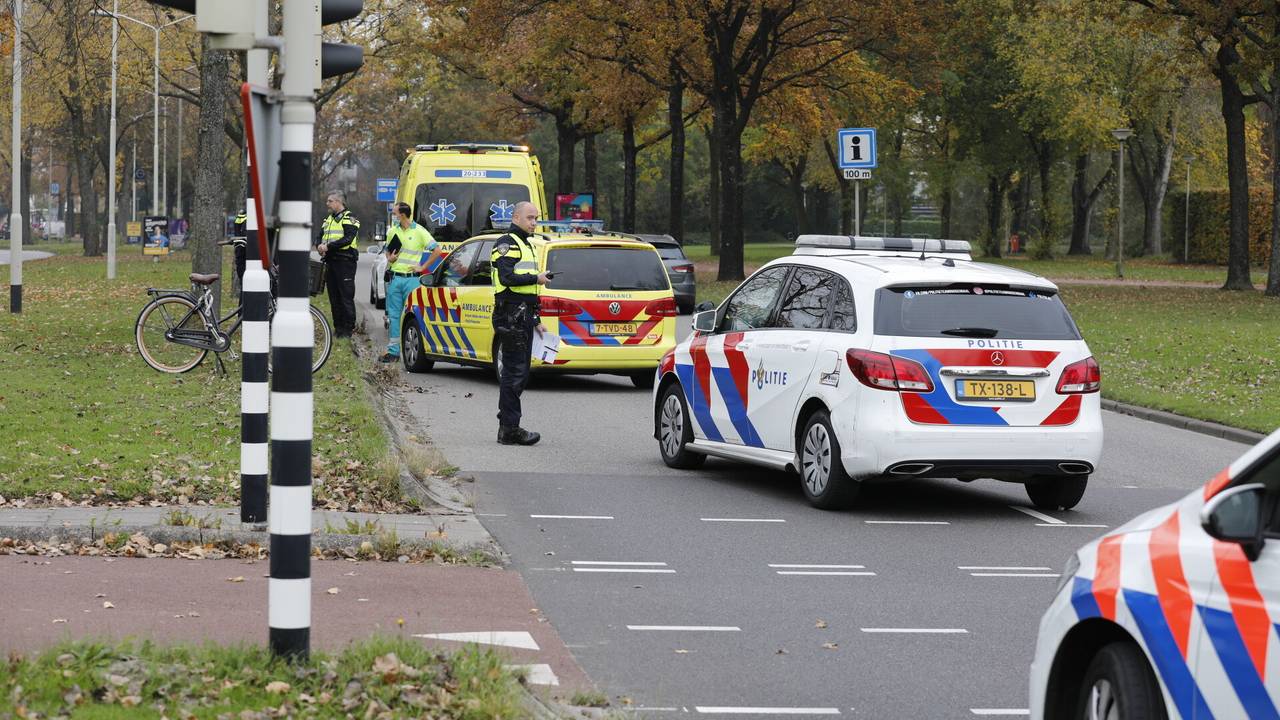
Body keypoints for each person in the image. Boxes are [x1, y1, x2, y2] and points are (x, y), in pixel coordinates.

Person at [491, 200, 550, 446]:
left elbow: (528, 291)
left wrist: (536, 319)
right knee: (515, 373)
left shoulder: (527, 245)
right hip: (510, 314)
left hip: (522, 313)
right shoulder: (506, 244)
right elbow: (507, 278)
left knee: (521, 373)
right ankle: (509, 429)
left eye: (535, 218)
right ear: (515, 218)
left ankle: (507, 416)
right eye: (529, 218)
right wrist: (535, 277)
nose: (534, 222)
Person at [381, 202, 443, 363]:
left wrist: (423, 267)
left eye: (395, 212)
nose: (393, 215)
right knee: (394, 316)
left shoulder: (420, 231)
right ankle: (393, 352)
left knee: (414, 316)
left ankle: (418, 351)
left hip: (412, 280)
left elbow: (437, 251)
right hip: (395, 278)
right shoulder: (392, 231)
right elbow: (388, 252)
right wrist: (390, 258)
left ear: (402, 214)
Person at [315, 191, 361, 338]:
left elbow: (348, 238)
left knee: (345, 296)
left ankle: (348, 329)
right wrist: (319, 246)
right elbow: (319, 236)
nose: (327, 203)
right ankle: (338, 328)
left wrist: (328, 246)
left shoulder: (350, 218)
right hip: (330, 262)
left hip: (345, 262)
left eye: (330, 201)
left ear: (338, 202)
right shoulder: (328, 219)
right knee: (333, 297)